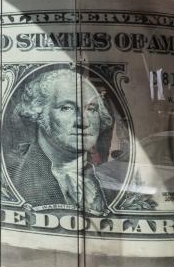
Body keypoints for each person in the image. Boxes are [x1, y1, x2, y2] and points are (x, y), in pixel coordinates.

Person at [7, 68, 114, 212]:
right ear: (38, 112)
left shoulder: (112, 184)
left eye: (91, 109)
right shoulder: (11, 177)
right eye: (66, 108)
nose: (83, 122)